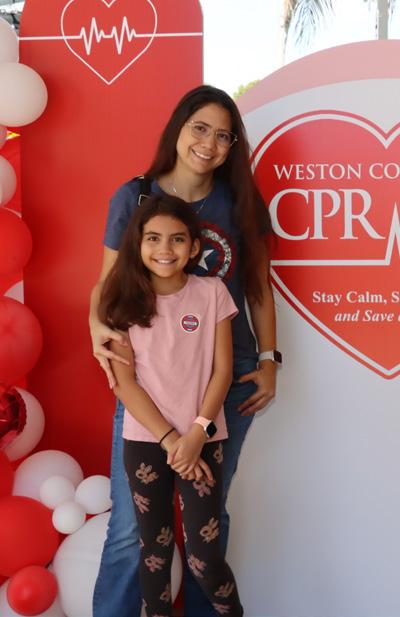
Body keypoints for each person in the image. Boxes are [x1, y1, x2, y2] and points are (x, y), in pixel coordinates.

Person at [89, 86, 278, 617]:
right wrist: (95, 328)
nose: (209, 143)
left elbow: (259, 288)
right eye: (200, 128)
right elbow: (106, 285)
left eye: (223, 135)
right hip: (147, 378)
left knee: (207, 521)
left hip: (226, 378)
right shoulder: (134, 197)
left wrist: (270, 359)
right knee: (131, 527)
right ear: (178, 127)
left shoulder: (239, 203)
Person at [99, 195, 243, 617]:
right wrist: (171, 441)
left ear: (194, 247)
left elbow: (222, 372)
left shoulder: (211, 293)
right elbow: (125, 384)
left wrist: (196, 434)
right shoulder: (121, 300)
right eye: (153, 238)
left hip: (204, 440)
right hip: (147, 442)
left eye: (177, 239)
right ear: (137, 243)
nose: (165, 249)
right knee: (154, 550)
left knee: (204, 557)